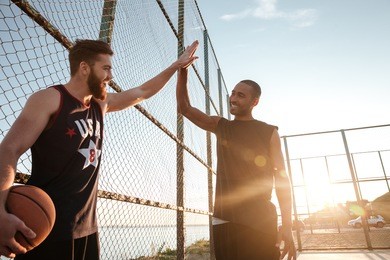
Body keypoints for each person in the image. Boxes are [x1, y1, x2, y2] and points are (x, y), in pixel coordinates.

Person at [0, 39, 199, 259]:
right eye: (106, 68)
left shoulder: (100, 104)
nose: (110, 76)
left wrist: (175, 66)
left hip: (87, 228)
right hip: (46, 227)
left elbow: (142, 91)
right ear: (84, 68)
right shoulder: (50, 99)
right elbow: (9, 150)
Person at [176, 68, 297, 259]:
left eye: (240, 95)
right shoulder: (221, 126)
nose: (233, 98)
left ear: (254, 102)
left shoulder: (269, 132)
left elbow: (283, 180)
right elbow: (184, 108)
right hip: (226, 219)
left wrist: (288, 226)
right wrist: (183, 71)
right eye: (233, 93)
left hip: (260, 220)